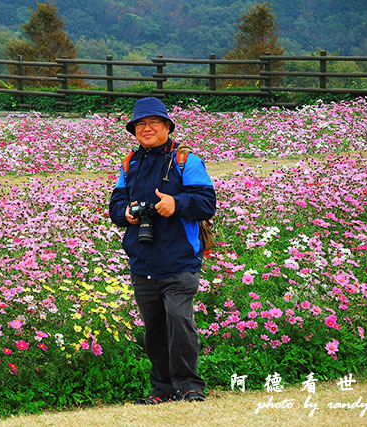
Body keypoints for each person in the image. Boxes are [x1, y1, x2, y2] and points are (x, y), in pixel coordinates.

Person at [109, 97, 216, 404]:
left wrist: (175, 204)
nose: (146, 128)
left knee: (179, 320)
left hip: (179, 259)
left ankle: (190, 386)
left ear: (167, 126)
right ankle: (162, 389)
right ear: (134, 131)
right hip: (143, 260)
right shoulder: (130, 164)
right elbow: (115, 205)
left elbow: (207, 203)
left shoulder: (187, 161)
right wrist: (126, 213)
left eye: (153, 123)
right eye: (140, 124)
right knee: (154, 329)